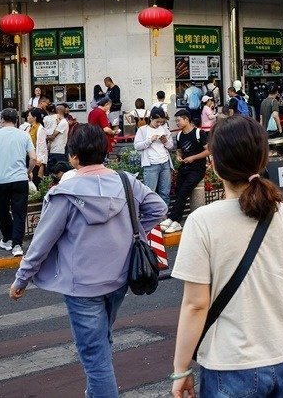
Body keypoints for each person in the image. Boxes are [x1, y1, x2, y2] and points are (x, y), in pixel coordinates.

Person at [10, 124, 166, 397]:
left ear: (73, 157)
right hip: (120, 278)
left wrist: (21, 279)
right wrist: (132, 231)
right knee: (102, 343)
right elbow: (158, 208)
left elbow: (41, 244)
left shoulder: (64, 193)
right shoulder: (126, 181)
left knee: (95, 358)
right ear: (105, 151)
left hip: (82, 287)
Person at [171, 115, 283, 397]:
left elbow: (195, 306)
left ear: (214, 164)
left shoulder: (202, 222)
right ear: (262, 160)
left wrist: (181, 369)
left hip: (231, 364)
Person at [0, 108, 36, 257]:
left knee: (2, 211)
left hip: (0, 179)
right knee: (20, 212)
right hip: (20, 179)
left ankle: (7, 238)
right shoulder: (24, 135)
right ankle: (17, 245)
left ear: (1, 120)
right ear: (16, 120)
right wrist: (28, 171)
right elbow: (33, 157)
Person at [161, 109, 210, 234]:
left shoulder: (199, 133)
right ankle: (176, 221)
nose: (176, 123)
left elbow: (209, 151)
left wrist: (193, 157)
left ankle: (174, 219)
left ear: (186, 120)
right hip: (184, 167)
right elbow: (179, 150)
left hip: (197, 169)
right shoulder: (179, 135)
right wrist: (178, 156)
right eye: (176, 121)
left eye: (178, 120)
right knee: (178, 191)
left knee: (184, 191)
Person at [134, 107, 173, 206]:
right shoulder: (143, 130)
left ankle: (164, 217)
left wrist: (165, 141)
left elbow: (171, 146)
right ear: (151, 118)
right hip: (151, 165)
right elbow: (137, 146)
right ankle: (152, 218)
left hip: (165, 163)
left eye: (161, 122)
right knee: (150, 193)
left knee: (165, 193)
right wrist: (150, 140)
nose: (159, 124)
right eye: (157, 121)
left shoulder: (164, 129)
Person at [23, 109, 48, 186]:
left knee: (35, 180)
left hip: (36, 158)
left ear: (34, 117)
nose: (27, 117)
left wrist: (42, 162)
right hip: (28, 157)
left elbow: (42, 147)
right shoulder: (28, 127)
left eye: (29, 116)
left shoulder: (40, 129)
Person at [47, 104, 69, 170]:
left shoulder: (63, 122)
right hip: (54, 150)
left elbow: (52, 136)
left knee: (57, 171)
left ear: (59, 111)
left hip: (58, 151)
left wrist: (45, 136)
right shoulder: (59, 122)